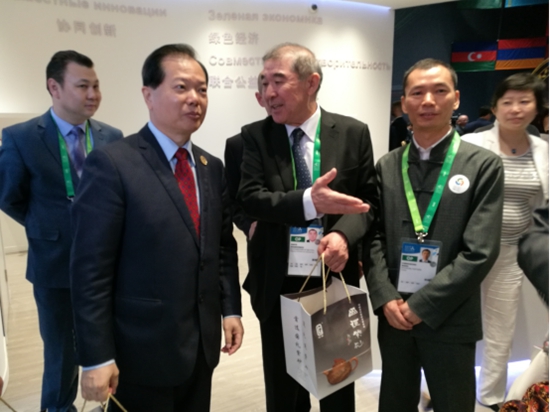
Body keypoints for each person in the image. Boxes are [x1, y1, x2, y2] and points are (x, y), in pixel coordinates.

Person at [70, 44, 243, 411]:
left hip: (201, 347)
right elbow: (90, 269)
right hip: (140, 353)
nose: (195, 98)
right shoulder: (113, 164)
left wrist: (231, 310)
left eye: (202, 89)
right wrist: (97, 356)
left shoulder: (211, 167)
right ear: (148, 95)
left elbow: (222, 248)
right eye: (181, 87)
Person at [238, 43, 378, 412]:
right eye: (264, 82)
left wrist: (343, 235)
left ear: (311, 82)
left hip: (334, 277)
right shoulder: (255, 136)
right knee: (284, 393)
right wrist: (308, 202)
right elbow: (250, 198)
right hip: (277, 281)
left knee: (338, 385)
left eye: (278, 81)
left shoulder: (352, 132)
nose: (268, 92)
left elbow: (367, 201)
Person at [366, 58, 504, 412]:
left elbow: (480, 252)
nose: (428, 100)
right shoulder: (388, 165)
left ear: (456, 99)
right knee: (394, 402)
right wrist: (384, 297)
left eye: (439, 91)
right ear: (404, 103)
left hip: (451, 314)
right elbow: (373, 236)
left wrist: (422, 305)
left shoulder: (482, 165)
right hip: (395, 314)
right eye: (417, 93)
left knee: (453, 403)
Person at [0, 50, 122, 412]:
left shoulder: (111, 136)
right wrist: (48, 227)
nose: (93, 94)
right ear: (54, 87)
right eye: (83, 86)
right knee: (61, 354)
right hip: (54, 266)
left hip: (107, 266)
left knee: (108, 344)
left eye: (96, 86)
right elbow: (9, 196)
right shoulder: (21, 137)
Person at [462, 72, 549, 411]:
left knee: (500, 333)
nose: (516, 108)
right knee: (455, 326)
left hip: (512, 254)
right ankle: (449, 389)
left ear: (536, 108)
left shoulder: (544, 151)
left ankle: (489, 398)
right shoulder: (472, 144)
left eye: (524, 101)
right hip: (467, 252)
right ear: (495, 106)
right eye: (508, 101)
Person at [224, 74, 270, 240]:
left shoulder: (313, 140)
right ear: (260, 98)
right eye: (267, 86)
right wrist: (248, 225)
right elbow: (232, 198)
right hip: (261, 244)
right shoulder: (238, 145)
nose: (274, 93)